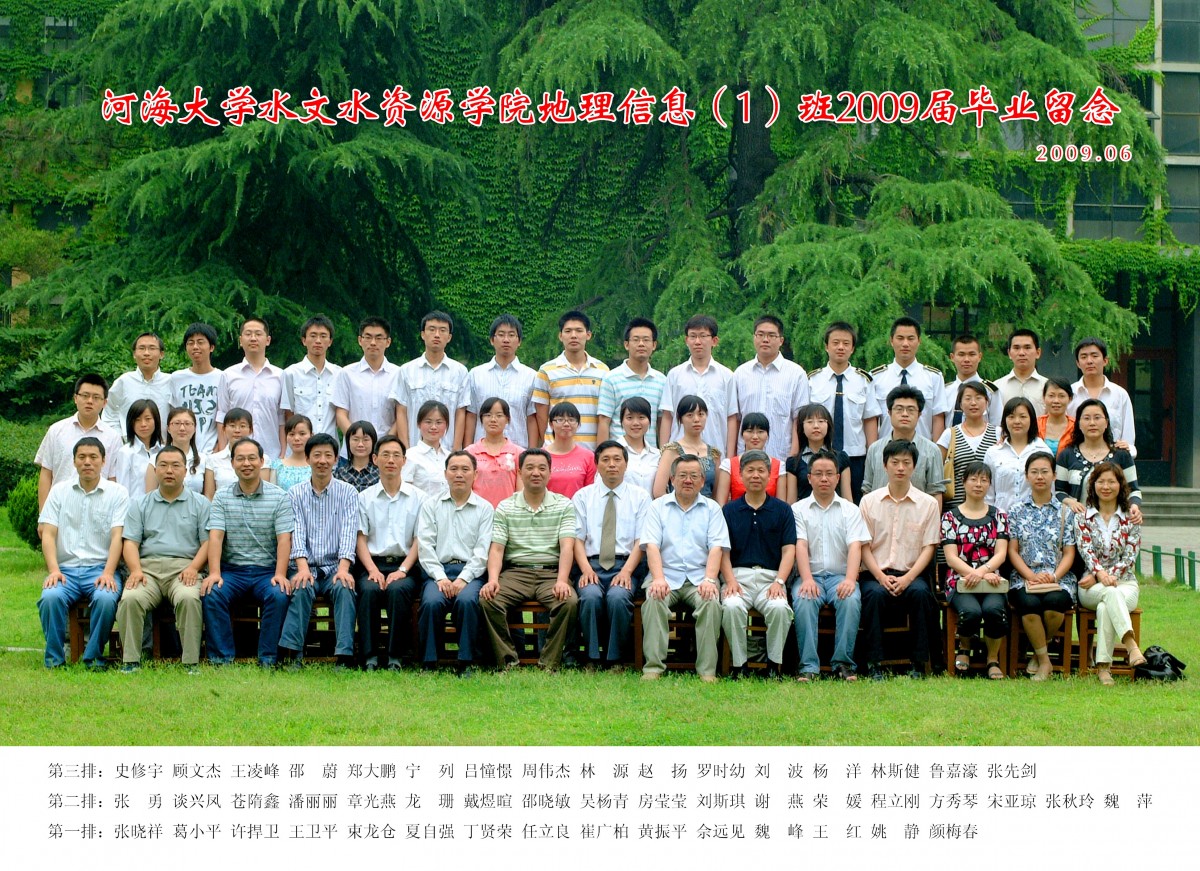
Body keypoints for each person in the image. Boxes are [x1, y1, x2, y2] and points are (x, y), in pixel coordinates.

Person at [480, 449, 579, 671]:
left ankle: (549, 663)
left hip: (550, 573)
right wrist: (493, 579)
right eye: (530, 468)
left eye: (542, 468)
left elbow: (567, 546)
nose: (536, 473)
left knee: (568, 602)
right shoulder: (506, 506)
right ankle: (508, 661)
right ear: (519, 472)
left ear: (550, 472)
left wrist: (562, 580)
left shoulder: (563, 505)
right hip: (515, 573)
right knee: (489, 599)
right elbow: (497, 549)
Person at [200, 436, 294, 667]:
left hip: (266, 571)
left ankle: (268, 658)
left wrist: (280, 574)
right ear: (232, 463)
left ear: (261, 461)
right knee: (212, 593)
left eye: (252, 458)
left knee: (279, 594)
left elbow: (284, 540)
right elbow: (216, 537)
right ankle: (222, 659)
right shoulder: (222, 496)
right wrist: (215, 573)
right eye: (240, 459)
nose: (246, 463)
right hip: (232, 571)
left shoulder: (279, 496)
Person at [116, 445, 210, 672]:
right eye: (163, 465)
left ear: (185, 471)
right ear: (155, 470)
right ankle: (131, 661)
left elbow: (208, 543)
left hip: (185, 570)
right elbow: (130, 543)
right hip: (147, 570)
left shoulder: (200, 504)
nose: (169, 470)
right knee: (130, 599)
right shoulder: (140, 504)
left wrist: (194, 568)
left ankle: (190, 663)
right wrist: (135, 570)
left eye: (176, 465)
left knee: (189, 598)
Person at [36, 437, 128, 669]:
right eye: (82, 457)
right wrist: (54, 570)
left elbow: (118, 536)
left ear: (103, 461)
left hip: (100, 569)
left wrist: (109, 572)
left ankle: (93, 658)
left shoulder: (117, 493)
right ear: (74, 461)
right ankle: (54, 659)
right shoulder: (59, 492)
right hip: (65, 570)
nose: (87, 462)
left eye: (93, 457)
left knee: (106, 598)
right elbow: (48, 534)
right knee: (50, 598)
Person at [640, 453, 729, 682]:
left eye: (694, 476)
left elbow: (716, 548)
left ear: (702, 481)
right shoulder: (657, 507)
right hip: (665, 575)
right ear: (672, 479)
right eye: (682, 475)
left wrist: (710, 579)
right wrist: (658, 578)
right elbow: (651, 546)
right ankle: (653, 668)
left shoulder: (712, 509)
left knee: (710, 602)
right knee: (654, 598)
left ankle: (707, 671)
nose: (688, 480)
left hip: (700, 577)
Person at [858, 440, 941, 679]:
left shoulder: (928, 504)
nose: (900, 468)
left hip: (911, 574)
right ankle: (874, 664)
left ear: (914, 466)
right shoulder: (869, 502)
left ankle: (919, 664)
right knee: (873, 596)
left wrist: (907, 578)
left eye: (906, 462)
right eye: (895, 462)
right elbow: (864, 546)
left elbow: (929, 547)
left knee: (921, 594)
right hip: (875, 573)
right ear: (885, 465)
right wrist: (880, 577)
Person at [278, 434, 360, 668]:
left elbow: (349, 533)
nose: (322, 460)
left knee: (345, 588)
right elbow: (297, 532)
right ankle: (292, 653)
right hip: (306, 565)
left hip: (335, 566)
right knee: (302, 586)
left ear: (335, 460)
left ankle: (344, 655)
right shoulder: (295, 493)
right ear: (307, 458)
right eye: (316, 455)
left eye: (328, 455)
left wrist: (344, 569)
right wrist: (302, 568)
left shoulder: (348, 493)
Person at [792, 449, 871, 681]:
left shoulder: (851, 510)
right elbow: (800, 545)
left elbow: (855, 546)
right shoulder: (797, 510)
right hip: (810, 576)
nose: (824, 478)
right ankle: (808, 666)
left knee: (851, 599)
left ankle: (843, 664)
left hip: (840, 576)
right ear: (809, 478)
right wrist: (807, 579)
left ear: (838, 477)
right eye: (818, 474)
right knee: (804, 600)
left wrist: (850, 579)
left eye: (829, 474)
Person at [571, 440, 650, 669]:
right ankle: (592, 658)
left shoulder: (640, 497)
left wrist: (626, 572)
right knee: (590, 597)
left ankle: (616, 659)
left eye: (617, 459)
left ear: (626, 464)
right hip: (591, 565)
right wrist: (586, 569)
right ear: (597, 465)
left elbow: (641, 541)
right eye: (605, 460)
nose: (612, 464)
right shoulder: (583, 496)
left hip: (625, 565)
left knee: (618, 597)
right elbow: (576, 539)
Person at [416, 450, 494, 675]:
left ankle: (466, 661)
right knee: (431, 602)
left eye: (465, 469)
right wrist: (441, 578)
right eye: (454, 469)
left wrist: (463, 579)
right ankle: (430, 662)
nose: (459, 474)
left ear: (475, 474)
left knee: (467, 601)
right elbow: (425, 547)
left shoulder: (485, 508)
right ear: (445, 473)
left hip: (471, 574)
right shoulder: (431, 505)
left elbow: (482, 551)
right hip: (437, 572)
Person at [719, 450, 796, 679]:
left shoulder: (783, 510)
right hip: (737, 578)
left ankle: (773, 667)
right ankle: (739, 666)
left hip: (771, 579)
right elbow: (722, 551)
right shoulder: (729, 510)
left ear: (770, 476)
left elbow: (789, 550)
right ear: (740, 475)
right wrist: (730, 581)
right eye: (750, 470)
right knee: (732, 607)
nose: (755, 475)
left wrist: (779, 582)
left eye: (761, 470)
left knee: (780, 609)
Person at [355, 435, 426, 669]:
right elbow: (360, 538)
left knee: (398, 590)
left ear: (404, 461)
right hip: (372, 564)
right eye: (385, 455)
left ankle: (396, 655)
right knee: (369, 590)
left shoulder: (419, 498)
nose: (391, 460)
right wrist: (372, 570)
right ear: (375, 459)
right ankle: (369, 656)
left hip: (406, 565)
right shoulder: (364, 498)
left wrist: (403, 570)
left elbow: (420, 540)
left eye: (396, 455)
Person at [1007, 452, 1078, 682]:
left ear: (1054, 475)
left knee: (1053, 604)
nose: (1040, 476)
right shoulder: (1016, 511)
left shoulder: (1065, 512)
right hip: (1024, 577)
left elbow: (1069, 552)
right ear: (1026, 476)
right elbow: (1012, 550)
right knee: (1029, 604)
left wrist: (1054, 576)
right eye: (1034, 472)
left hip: (1058, 578)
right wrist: (1030, 575)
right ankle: (1045, 661)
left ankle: (1038, 650)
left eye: (1045, 471)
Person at [1075, 461, 1145, 685]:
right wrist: (1099, 574)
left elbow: (1130, 556)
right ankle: (1131, 645)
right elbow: (1085, 551)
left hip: (1125, 583)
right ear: (1093, 485)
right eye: (1101, 482)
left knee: (1107, 604)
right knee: (1109, 594)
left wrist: (1108, 575)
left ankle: (1104, 667)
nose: (1106, 487)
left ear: (1120, 485)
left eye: (1111, 482)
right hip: (1090, 585)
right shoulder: (1082, 517)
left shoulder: (1131, 517)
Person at [942, 462, 1010, 680]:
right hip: (959, 579)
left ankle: (992, 659)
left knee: (994, 610)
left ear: (989, 484)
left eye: (984, 480)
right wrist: (975, 573)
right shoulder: (950, 517)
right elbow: (951, 557)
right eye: (973, 479)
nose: (978, 484)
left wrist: (982, 573)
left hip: (991, 579)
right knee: (970, 612)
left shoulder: (999, 516)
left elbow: (1001, 553)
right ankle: (964, 648)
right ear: (964, 482)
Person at [808, 322, 881, 501]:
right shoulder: (813, 380)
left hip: (855, 456)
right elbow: (805, 420)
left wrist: (871, 457)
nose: (841, 347)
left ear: (853, 348)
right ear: (826, 346)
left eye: (846, 343)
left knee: (855, 504)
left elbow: (869, 420)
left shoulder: (864, 381)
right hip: (820, 456)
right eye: (835, 342)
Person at [35, 374, 122, 511]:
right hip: (60, 508)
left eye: (96, 397)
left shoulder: (113, 437)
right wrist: (43, 513)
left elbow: (113, 479)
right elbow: (46, 473)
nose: (90, 401)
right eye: (85, 395)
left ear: (105, 403)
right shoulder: (56, 431)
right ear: (76, 398)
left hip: (97, 510)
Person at [659, 315, 738, 458]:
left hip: (715, 454)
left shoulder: (727, 376)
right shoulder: (675, 375)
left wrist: (730, 458)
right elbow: (667, 416)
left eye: (703, 336)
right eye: (693, 336)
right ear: (686, 340)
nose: (697, 342)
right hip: (679, 455)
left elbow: (731, 418)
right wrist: (663, 454)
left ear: (714, 341)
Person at [1055, 398, 1143, 524]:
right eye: (1086, 418)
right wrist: (1070, 502)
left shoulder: (1122, 455)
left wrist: (1134, 506)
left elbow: (1134, 491)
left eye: (1097, 418)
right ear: (1079, 424)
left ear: (1106, 422)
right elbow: (1058, 491)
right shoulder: (1066, 455)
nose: (1092, 423)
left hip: (1113, 526)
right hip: (1075, 525)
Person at [734, 315, 809, 461]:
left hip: (781, 457)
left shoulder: (796, 374)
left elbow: (799, 419)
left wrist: (793, 457)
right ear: (754, 338)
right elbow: (736, 419)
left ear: (781, 340)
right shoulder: (740, 374)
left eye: (771, 335)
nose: (765, 339)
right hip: (745, 459)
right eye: (760, 334)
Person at [391, 310, 469, 451]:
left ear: (449, 337)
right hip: (415, 448)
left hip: (447, 450)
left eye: (442, 330)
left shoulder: (460, 372)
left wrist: (456, 449)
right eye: (432, 329)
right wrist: (406, 449)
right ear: (423, 334)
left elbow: (460, 412)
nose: (437, 335)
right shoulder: (406, 370)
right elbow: (401, 411)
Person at [532, 310, 609, 446]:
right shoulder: (546, 371)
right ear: (560, 336)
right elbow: (541, 415)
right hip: (557, 450)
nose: (573, 336)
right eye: (568, 331)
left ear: (588, 335)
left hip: (591, 449)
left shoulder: (602, 371)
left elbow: (605, 415)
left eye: (579, 331)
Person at [215, 317, 286, 459]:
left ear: (268, 340)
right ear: (241, 340)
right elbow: (222, 415)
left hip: (271, 454)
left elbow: (282, 417)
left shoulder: (280, 376)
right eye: (248, 334)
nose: (253, 338)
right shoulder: (228, 375)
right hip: (236, 455)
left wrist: (283, 453)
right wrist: (223, 452)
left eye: (258, 334)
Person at [861, 386, 946, 504]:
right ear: (889, 413)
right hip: (880, 513)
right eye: (899, 409)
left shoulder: (932, 451)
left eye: (911, 410)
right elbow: (867, 489)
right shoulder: (874, 449)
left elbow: (936, 493)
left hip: (916, 514)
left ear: (919, 414)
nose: (905, 414)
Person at [465, 314, 539, 448]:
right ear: (492, 340)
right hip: (481, 452)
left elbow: (531, 418)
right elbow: (471, 415)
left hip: (518, 450)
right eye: (501, 334)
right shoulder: (475, 375)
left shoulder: (531, 376)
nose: (506, 340)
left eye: (511, 335)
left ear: (519, 341)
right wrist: (467, 451)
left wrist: (532, 453)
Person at [331, 317, 400, 460]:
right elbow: (341, 414)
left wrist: (384, 444)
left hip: (386, 455)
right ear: (360, 340)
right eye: (368, 337)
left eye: (379, 338)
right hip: (351, 454)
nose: (373, 342)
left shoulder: (399, 374)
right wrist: (357, 441)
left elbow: (401, 416)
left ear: (388, 342)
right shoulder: (346, 373)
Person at [870, 316, 946, 443]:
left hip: (922, 448)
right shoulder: (876, 377)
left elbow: (938, 417)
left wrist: (936, 451)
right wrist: (874, 450)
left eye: (911, 338)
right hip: (886, 449)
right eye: (900, 338)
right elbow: (872, 419)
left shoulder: (933, 377)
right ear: (891, 341)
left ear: (919, 341)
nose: (905, 344)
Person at [597, 317, 666, 447]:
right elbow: (604, 421)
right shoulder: (611, 379)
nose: (641, 344)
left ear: (654, 345)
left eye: (646, 340)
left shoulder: (661, 380)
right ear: (626, 344)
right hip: (619, 454)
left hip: (650, 454)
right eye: (636, 339)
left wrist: (664, 454)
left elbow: (662, 422)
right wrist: (602, 455)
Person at [937, 381, 999, 510]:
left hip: (989, 508)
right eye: (968, 398)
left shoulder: (997, 433)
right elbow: (937, 470)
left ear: (987, 402)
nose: (973, 403)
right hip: (955, 508)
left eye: (978, 398)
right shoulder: (950, 434)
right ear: (960, 404)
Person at [1068, 337, 1135, 455]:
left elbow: (1128, 440)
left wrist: (1126, 451)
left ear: (1105, 360)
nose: (1089, 361)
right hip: (1076, 459)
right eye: (1084, 357)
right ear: (1078, 363)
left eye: (1094, 356)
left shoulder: (1120, 395)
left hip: (1113, 459)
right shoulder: (1069, 394)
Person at [984, 397, 1049, 514]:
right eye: (1011, 417)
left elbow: (1049, 491)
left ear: (1031, 420)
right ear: (1004, 420)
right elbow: (988, 493)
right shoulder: (993, 453)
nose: (1017, 421)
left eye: (1023, 417)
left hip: (1034, 519)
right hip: (1001, 518)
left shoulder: (1042, 450)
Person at [282, 315, 342, 439]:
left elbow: (341, 413)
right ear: (304, 340)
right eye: (313, 336)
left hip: (330, 444)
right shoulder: (291, 373)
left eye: (323, 336)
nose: (318, 341)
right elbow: (288, 414)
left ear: (330, 341)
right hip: (301, 445)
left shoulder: (339, 374)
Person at [101, 332, 172, 437]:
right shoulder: (123, 382)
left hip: (164, 445)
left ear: (161, 354)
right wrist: (120, 439)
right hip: (130, 444)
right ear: (134, 354)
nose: (146, 353)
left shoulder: (171, 382)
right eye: (142, 348)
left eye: (152, 348)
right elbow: (109, 414)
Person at [653, 395, 721, 498]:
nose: (696, 419)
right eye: (690, 415)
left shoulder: (714, 454)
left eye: (701, 414)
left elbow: (717, 494)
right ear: (680, 419)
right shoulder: (671, 451)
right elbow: (658, 492)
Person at [782, 403, 851, 504]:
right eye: (810, 422)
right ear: (802, 427)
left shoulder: (841, 458)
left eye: (821, 421)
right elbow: (791, 502)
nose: (816, 426)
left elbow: (847, 499)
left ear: (828, 425)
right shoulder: (793, 462)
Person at [170, 322, 222, 452]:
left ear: (211, 347)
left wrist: (220, 448)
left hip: (212, 452)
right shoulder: (176, 378)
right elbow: (172, 415)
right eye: (190, 343)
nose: (195, 347)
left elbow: (225, 417)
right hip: (182, 451)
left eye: (200, 342)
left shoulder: (222, 378)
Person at [467, 397, 523, 507]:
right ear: (481, 419)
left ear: (507, 419)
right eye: (488, 415)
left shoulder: (519, 453)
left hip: (508, 513)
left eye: (499, 415)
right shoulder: (469, 453)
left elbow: (521, 492)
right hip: (477, 512)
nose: (493, 419)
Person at [716, 412, 782, 503]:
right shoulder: (728, 465)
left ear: (767, 435)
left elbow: (781, 505)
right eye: (750, 431)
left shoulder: (779, 466)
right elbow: (721, 504)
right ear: (742, 434)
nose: (755, 437)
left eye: (760, 432)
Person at [944, 334, 1003, 428]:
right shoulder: (945, 391)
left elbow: (997, 425)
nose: (966, 359)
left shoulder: (990, 391)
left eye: (972, 354)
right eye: (961, 354)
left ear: (979, 357)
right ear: (952, 357)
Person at [110, 399, 162, 498]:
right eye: (138, 420)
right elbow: (122, 489)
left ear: (156, 420)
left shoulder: (162, 451)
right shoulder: (126, 452)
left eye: (148, 419)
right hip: (135, 506)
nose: (143, 424)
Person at [545, 401, 597, 498]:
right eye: (560, 420)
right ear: (551, 424)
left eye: (571, 420)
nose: (566, 424)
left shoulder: (588, 457)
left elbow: (590, 493)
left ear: (578, 424)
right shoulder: (541, 456)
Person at [150, 406, 206, 495]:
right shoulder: (155, 459)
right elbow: (150, 496)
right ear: (168, 428)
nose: (182, 428)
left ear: (195, 428)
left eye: (187, 423)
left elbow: (208, 497)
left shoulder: (204, 460)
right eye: (177, 423)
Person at [403, 400, 452, 499]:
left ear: (446, 425)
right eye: (428, 422)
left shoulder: (450, 457)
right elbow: (405, 492)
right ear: (418, 424)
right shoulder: (410, 456)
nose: (433, 427)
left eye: (439, 422)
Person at [995, 329, 1048, 416]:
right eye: (1016, 348)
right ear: (1009, 353)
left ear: (1038, 353)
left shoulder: (1048, 387)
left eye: (1027, 347)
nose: (1021, 353)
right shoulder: (997, 387)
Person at [203, 407, 253, 497]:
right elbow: (209, 496)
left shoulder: (261, 459)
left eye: (242, 426)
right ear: (224, 429)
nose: (237, 430)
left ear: (250, 430)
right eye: (232, 426)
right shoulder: (212, 460)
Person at [615, 397, 660, 495]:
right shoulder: (612, 452)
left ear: (649, 420)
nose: (635, 423)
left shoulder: (657, 455)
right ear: (621, 421)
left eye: (641, 417)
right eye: (629, 418)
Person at [266, 414, 314, 491]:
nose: (296, 438)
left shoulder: (317, 465)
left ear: (311, 435)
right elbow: (272, 494)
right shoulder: (278, 466)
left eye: (302, 434)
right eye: (292, 434)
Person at [333, 420, 380, 491]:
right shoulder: (339, 474)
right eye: (355, 439)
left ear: (373, 442)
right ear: (348, 442)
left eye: (365, 440)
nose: (360, 444)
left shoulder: (380, 474)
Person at [1038, 377, 1076, 458]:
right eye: (1051, 396)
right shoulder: (1035, 425)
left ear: (1070, 399)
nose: (1056, 401)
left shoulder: (1077, 427)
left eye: (1061, 396)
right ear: (1044, 397)